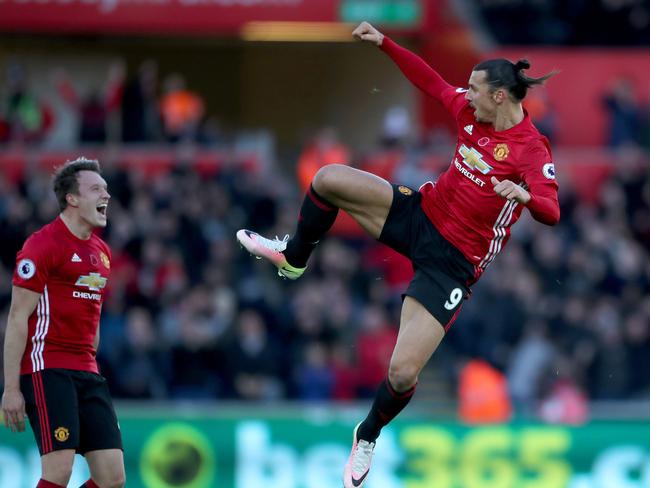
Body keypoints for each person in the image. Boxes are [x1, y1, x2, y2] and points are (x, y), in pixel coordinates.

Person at [237, 21, 560, 488]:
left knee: (403, 370)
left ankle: (367, 433)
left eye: (473, 89)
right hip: (421, 215)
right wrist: (385, 43)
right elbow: (429, 80)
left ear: (499, 97)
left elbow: (552, 209)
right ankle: (295, 257)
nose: (464, 95)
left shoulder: (531, 150)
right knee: (328, 178)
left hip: (454, 263)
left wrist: (526, 198)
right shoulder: (472, 114)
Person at [1, 158, 125, 488]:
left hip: (87, 369)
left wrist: (91, 362)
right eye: (97, 189)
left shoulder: (101, 253)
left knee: (112, 477)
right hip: (47, 367)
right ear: (72, 198)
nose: (106, 195)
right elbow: (16, 318)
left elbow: (92, 316)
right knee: (59, 472)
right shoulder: (42, 245)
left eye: (107, 189)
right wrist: (11, 388)